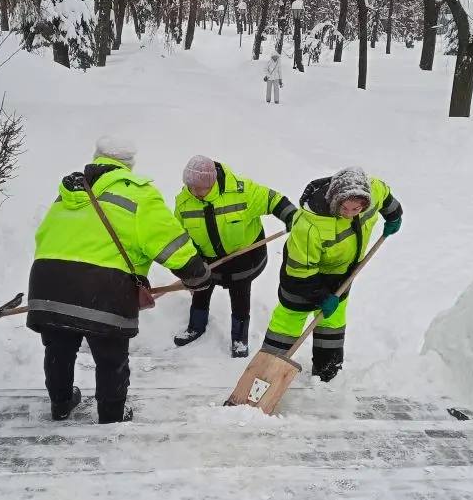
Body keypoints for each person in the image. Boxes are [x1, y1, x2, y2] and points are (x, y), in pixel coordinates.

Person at [27, 137, 211, 423]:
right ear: (129, 164)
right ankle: (111, 415)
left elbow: (44, 236)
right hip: (104, 287)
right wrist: (197, 275)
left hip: (48, 280)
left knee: (59, 347)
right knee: (110, 355)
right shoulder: (138, 193)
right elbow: (169, 243)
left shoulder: (70, 191)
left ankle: (60, 404)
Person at [260, 167, 402, 382]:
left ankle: (327, 372)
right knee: (288, 322)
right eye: (344, 208)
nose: (350, 213)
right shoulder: (309, 225)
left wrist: (394, 215)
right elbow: (300, 274)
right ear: (335, 200)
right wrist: (321, 296)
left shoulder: (371, 193)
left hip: (340, 277)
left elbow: (384, 194)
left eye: (356, 209)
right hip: (302, 279)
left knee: (332, 323)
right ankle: (264, 373)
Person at [173, 156, 297, 357]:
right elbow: (181, 234)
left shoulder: (241, 191)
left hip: (244, 258)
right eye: (190, 186)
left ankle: (239, 340)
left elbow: (273, 200)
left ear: (212, 182)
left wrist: (291, 216)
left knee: (240, 297)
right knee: (201, 291)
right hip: (208, 260)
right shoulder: (184, 202)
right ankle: (196, 326)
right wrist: (192, 262)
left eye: (199, 188)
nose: (193, 191)